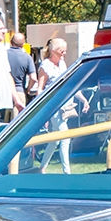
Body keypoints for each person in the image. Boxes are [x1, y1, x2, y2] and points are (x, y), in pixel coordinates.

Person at [35, 37, 87, 173]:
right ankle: (66, 171)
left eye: (65, 51)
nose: (64, 53)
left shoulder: (62, 64)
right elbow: (40, 89)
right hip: (53, 107)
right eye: (61, 51)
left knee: (55, 139)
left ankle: (42, 167)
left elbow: (70, 85)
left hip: (66, 107)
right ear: (53, 51)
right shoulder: (45, 66)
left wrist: (83, 100)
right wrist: (42, 112)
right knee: (65, 137)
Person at [7, 32, 36, 112]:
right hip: (19, 92)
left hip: (4, 93)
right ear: (23, 44)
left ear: (11, 42)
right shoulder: (27, 57)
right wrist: (28, 89)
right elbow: (33, 78)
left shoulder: (3, 55)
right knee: (17, 122)